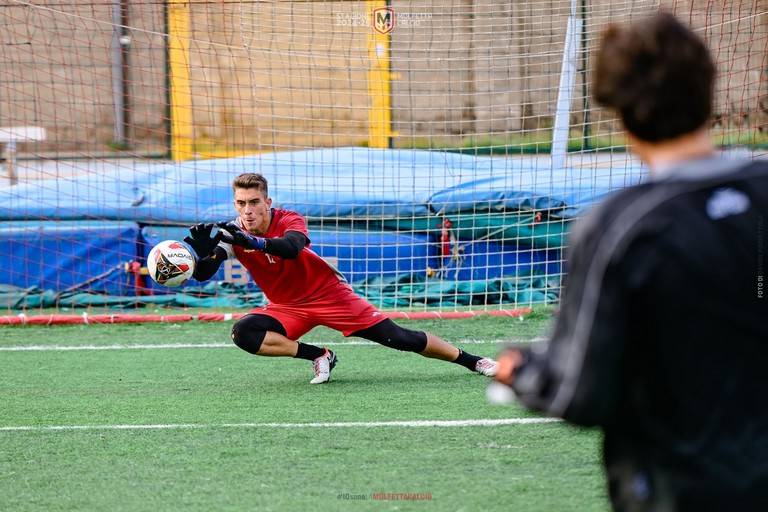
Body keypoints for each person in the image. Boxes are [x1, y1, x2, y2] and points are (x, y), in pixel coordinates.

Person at [490, 12, 768, 511]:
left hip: (682, 489)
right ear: (708, 91)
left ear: (618, 113)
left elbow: (580, 393)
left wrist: (523, 371)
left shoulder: (622, 227)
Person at [183, 172, 498, 384]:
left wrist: (254, 243)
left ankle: (474, 361)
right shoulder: (231, 233)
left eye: (254, 202)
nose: (248, 210)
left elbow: (291, 248)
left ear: (268, 202)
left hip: (329, 296)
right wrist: (198, 258)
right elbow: (206, 273)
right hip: (287, 307)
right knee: (244, 333)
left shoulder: (288, 219)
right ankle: (320, 355)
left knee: (401, 339)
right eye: (241, 203)